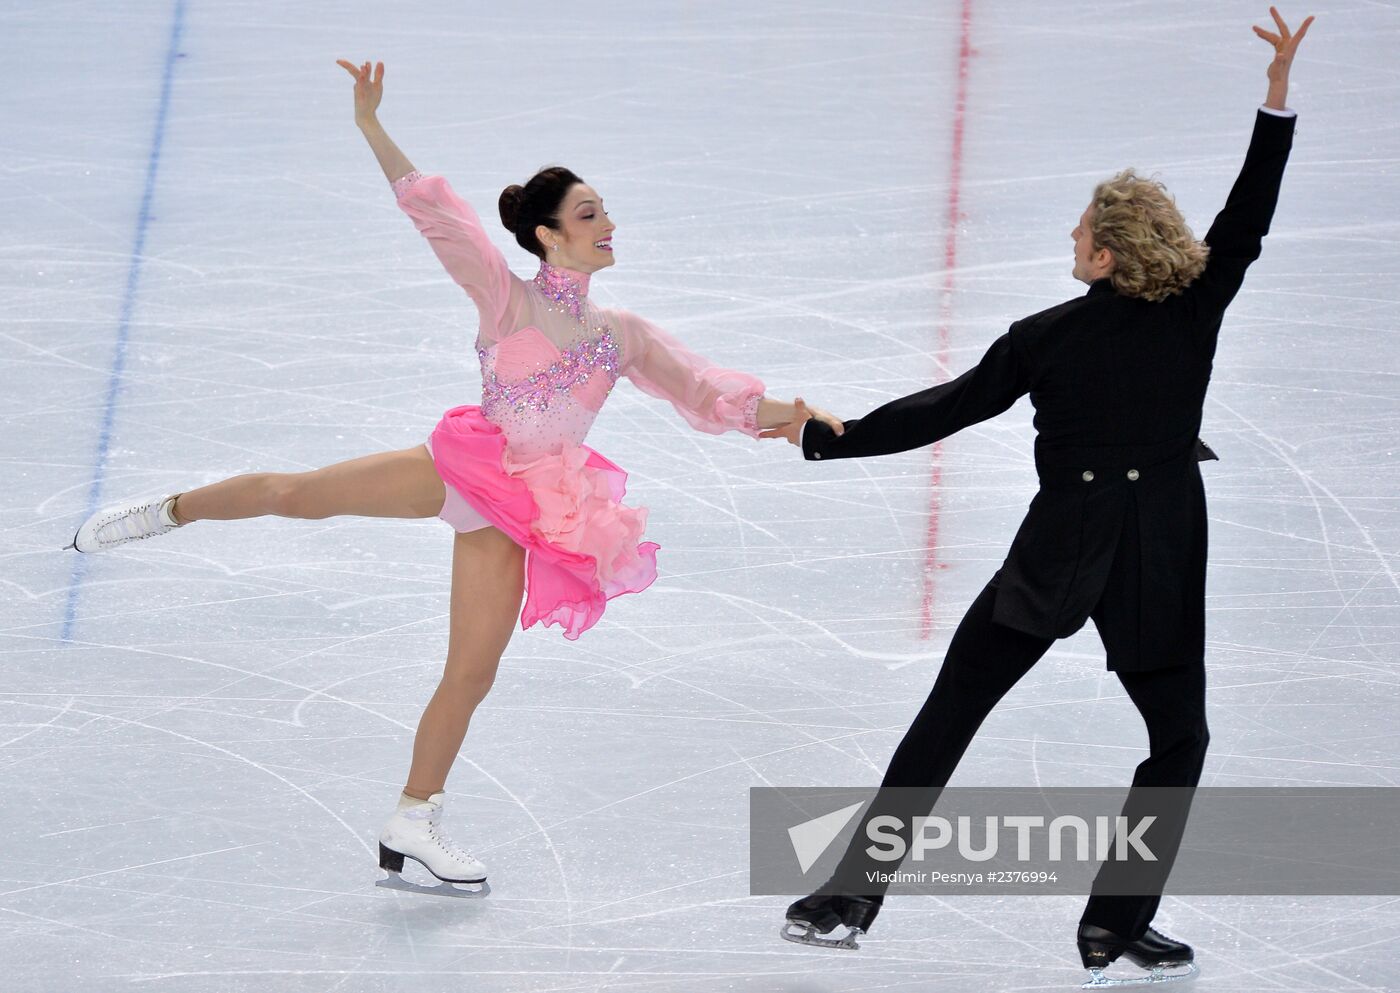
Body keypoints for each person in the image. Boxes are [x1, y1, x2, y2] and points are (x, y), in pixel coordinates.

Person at [67, 58, 836, 895]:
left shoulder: (621, 334)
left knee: (471, 671)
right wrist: (371, 125)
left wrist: (798, 413)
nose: (608, 222)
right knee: (298, 495)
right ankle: (168, 511)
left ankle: (412, 817)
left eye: (605, 209)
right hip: (467, 468)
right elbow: (442, 218)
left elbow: (709, 390)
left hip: (533, 506)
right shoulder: (507, 301)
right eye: (589, 213)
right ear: (549, 234)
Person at [763, 9, 1311, 986]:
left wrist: (821, 434)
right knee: (1176, 736)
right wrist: (1274, 103)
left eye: (1081, 229)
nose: (1069, 235)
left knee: (949, 712)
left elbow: (945, 410)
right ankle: (1114, 924)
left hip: (1061, 549)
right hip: (1160, 547)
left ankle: (848, 895)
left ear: (1105, 255)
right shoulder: (1195, 310)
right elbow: (1245, 221)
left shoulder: (1045, 336)